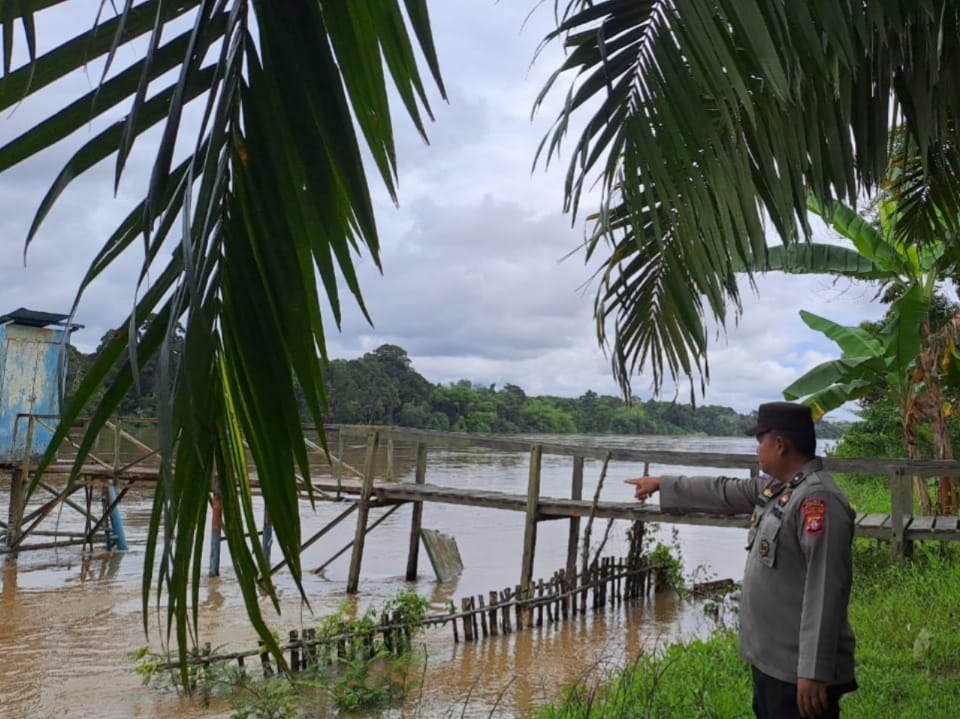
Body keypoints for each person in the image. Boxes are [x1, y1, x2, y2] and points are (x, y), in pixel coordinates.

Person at [625, 401, 857, 719]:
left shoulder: (817, 501)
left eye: (760, 441)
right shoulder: (780, 489)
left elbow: (826, 590)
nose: (757, 449)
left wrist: (813, 671)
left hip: (798, 672)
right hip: (772, 662)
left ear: (779, 444)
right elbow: (722, 491)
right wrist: (663, 484)